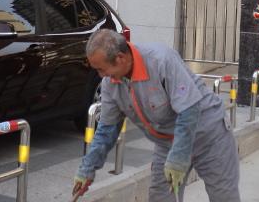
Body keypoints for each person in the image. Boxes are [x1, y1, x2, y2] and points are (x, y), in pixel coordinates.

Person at [72, 29, 240, 202]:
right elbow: (107, 129)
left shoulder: (162, 60)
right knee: (160, 197)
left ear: (120, 58)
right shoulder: (110, 83)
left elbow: (189, 110)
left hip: (209, 137)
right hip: (167, 142)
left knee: (223, 196)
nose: (101, 75)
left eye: (102, 69)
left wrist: (179, 157)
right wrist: (88, 167)